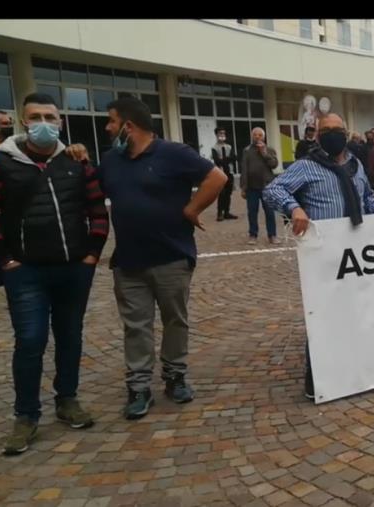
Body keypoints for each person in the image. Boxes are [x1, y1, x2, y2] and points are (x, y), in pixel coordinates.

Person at [0, 93, 109, 455]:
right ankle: (26, 416)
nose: (44, 123)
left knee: (70, 336)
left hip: (74, 268)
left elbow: (97, 210)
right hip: (25, 272)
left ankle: (67, 399)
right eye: (36, 116)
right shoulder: (2, 163)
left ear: (60, 121)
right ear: (23, 121)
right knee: (30, 341)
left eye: (50, 116)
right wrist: (5, 259)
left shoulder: (76, 162)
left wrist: (92, 254)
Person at [99, 97, 227, 420]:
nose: (107, 128)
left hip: (172, 257)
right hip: (128, 262)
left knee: (175, 320)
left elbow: (218, 178)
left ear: (128, 126)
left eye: (112, 122)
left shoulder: (174, 154)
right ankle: (139, 387)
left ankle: (175, 376)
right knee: (136, 327)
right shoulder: (110, 162)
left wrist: (192, 209)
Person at [262, 113, 374, 399]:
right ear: (317, 134)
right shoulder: (307, 166)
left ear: (347, 133)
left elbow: (366, 198)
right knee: (323, 316)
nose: (333, 133)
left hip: (357, 255)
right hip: (323, 255)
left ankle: (355, 371)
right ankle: (319, 381)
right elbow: (272, 189)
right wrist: (293, 208)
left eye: (338, 129)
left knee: (357, 310)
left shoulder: (356, 166)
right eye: (326, 130)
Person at [240, 127, 280, 245]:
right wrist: (243, 187)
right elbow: (244, 169)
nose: (257, 137)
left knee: (269, 212)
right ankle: (253, 235)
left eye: (260, 135)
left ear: (264, 137)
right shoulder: (247, 150)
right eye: (255, 135)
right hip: (252, 187)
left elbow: (274, 165)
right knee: (252, 212)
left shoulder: (270, 149)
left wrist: (264, 153)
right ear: (252, 136)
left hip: (267, 186)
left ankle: (272, 235)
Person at [211, 127, 238, 221]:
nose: (222, 135)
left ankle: (227, 212)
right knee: (221, 193)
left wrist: (225, 160)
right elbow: (217, 161)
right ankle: (219, 213)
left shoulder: (229, 147)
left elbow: (234, 158)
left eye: (223, 133)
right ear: (216, 135)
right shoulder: (214, 148)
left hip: (229, 172)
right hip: (220, 173)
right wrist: (226, 160)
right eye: (220, 134)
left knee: (228, 193)